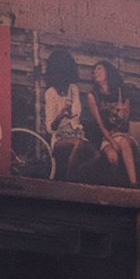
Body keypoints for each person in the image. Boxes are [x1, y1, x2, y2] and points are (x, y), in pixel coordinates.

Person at [39, 48, 104, 183]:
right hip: (59, 139)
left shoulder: (73, 89)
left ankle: (76, 173)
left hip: (77, 134)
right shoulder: (50, 93)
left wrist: (71, 115)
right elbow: (50, 129)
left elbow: (76, 115)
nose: (65, 78)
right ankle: (68, 182)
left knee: (97, 156)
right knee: (78, 144)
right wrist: (61, 115)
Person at [90, 60, 140, 187]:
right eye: (94, 70)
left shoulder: (121, 92)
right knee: (112, 156)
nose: (95, 72)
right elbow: (100, 125)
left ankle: (133, 184)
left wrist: (122, 113)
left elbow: (125, 122)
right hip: (106, 138)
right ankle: (116, 188)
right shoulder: (93, 95)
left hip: (123, 135)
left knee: (124, 142)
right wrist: (112, 142)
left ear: (108, 72)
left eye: (99, 69)